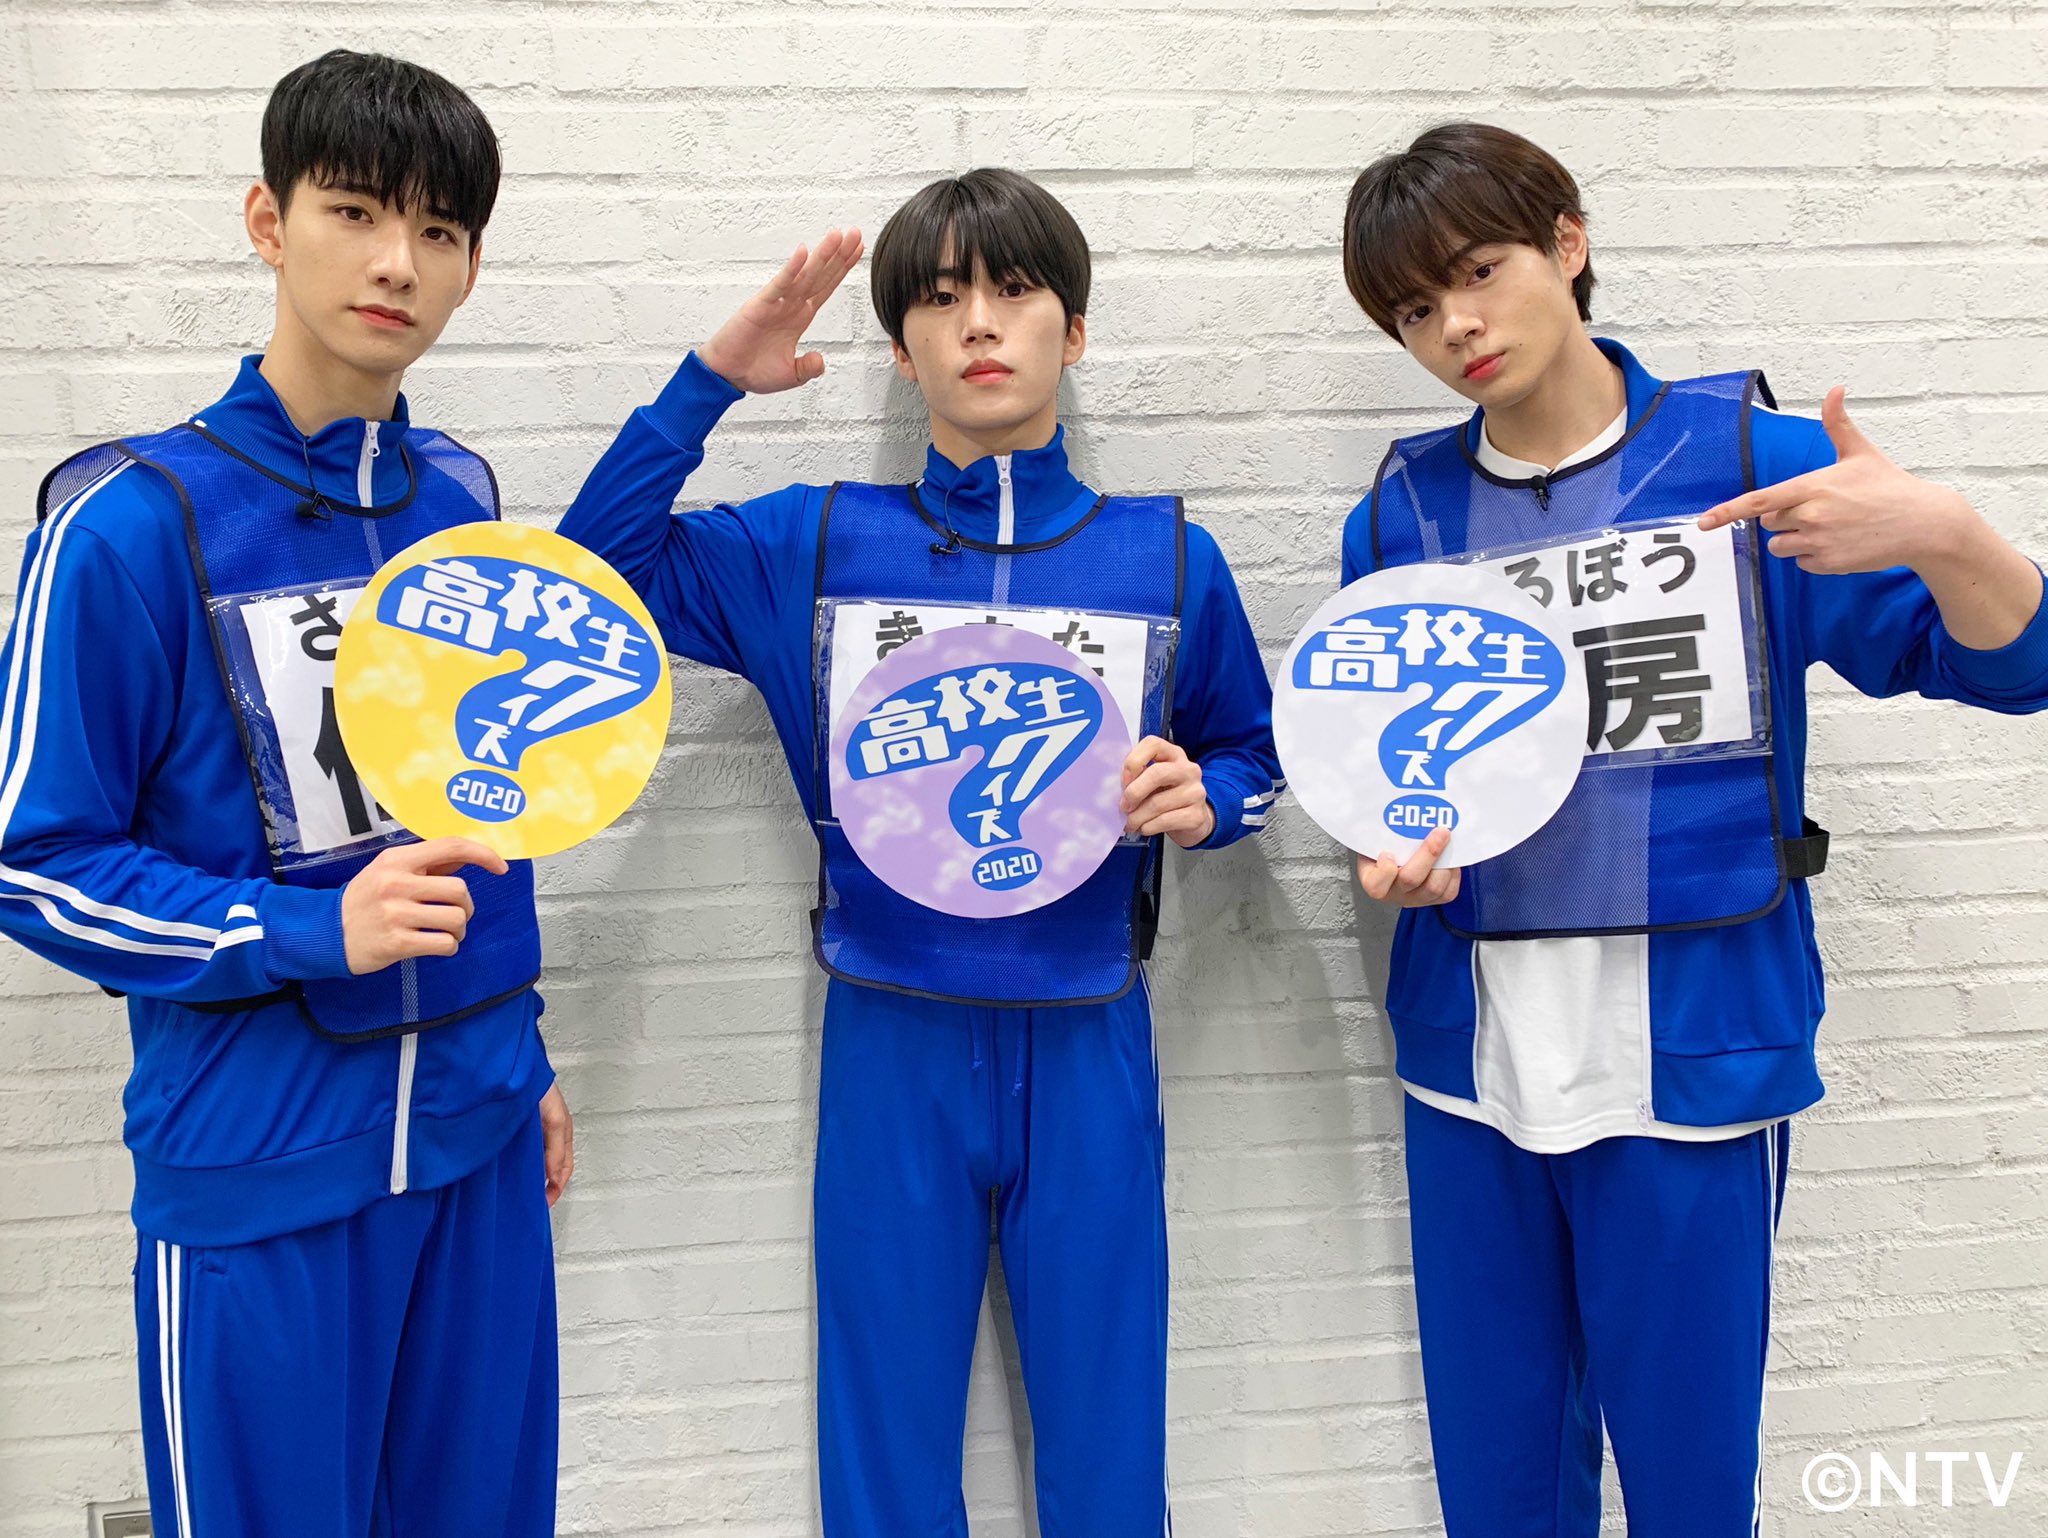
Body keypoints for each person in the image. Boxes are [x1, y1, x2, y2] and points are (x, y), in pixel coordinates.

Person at [1336, 122, 2048, 1535]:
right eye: (1412, 308)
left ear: (1569, 242)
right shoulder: (1400, 518)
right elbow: (1393, 782)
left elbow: (2015, 669)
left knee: (1690, 1488)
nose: (1454, 325)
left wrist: (1948, 533)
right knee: (1498, 1489)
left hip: (1692, 1061)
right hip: (1471, 1068)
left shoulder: (1752, 463)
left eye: (1477, 271)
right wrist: (1395, 863)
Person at [556, 167, 1282, 1537]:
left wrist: (1211, 799)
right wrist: (708, 385)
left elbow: (1256, 752)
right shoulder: (817, 542)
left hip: (1091, 1027)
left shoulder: (1169, 555)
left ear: (1076, 329)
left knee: (1108, 1433)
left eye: (1014, 290)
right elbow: (588, 582)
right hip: (889, 1026)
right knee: (882, 1436)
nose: (980, 323)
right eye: (941, 300)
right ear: (901, 349)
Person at [2, 50, 571, 1537]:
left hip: (476, 1140)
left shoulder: (462, 501)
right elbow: (35, 860)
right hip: (257, 1168)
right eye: (356, 211)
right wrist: (306, 930)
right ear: (268, 220)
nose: (397, 263)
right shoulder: (128, 522)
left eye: (439, 230)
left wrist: (520, 1047)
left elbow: (485, 808)